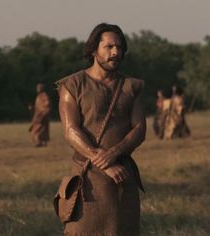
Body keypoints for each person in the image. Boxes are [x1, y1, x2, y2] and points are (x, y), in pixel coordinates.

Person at [56, 23, 146, 236]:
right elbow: (70, 131)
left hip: (122, 176)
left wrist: (114, 154)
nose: (116, 52)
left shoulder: (132, 86)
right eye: (109, 47)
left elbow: (139, 128)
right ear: (94, 50)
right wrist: (104, 163)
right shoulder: (72, 84)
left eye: (120, 47)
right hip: (87, 179)